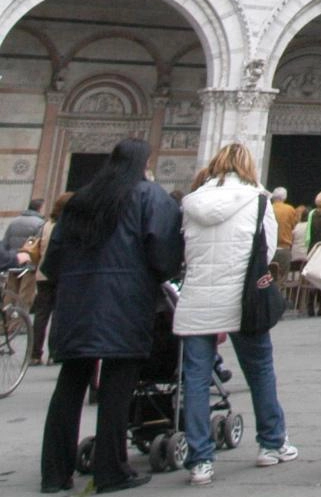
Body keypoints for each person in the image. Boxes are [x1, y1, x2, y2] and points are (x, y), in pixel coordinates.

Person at [39, 138, 182, 494]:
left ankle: (54, 475)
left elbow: (53, 261)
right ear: (143, 163)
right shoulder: (150, 197)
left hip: (75, 302)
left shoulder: (79, 201)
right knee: (118, 387)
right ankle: (111, 470)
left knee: (69, 385)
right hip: (125, 301)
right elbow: (164, 255)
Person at [174, 143, 297, 486]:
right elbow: (268, 249)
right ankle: (272, 444)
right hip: (243, 300)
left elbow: (183, 247)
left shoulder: (191, 201)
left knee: (196, 381)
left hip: (197, 299)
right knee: (259, 371)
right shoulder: (259, 201)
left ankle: (200, 462)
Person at [30, 192, 74, 366]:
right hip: (61, 274)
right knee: (58, 313)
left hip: (43, 273)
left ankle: (34, 353)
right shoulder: (68, 226)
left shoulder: (45, 225)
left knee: (41, 315)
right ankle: (54, 353)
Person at [3, 198, 45, 310]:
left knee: (10, 294)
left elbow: (5, 243)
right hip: (29, 265)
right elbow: (39, 245)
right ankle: (18, 324)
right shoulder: (40, 224)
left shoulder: (14, 222)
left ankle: (5, 322)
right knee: (24, 296)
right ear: (40, 208)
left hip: (13, 262)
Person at [270, 187, 299, 289]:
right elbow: (294, 225)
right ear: (285, 197)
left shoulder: (268, 207)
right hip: (283, 248)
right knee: (281, 281)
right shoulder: (289, 209)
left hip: (268, 247)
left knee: (265, 279)